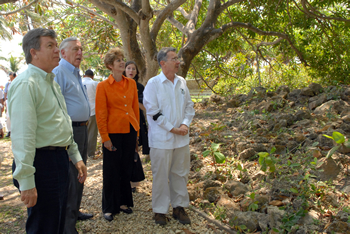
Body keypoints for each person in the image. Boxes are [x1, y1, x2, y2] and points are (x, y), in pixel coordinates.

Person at [8, 28, 87, 234]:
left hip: (58, 160)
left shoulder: (50, 81)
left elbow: (61, 123)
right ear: (34, 52)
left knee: (57, 222)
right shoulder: (26, 83)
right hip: (41, 164)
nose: (56, 51)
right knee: (44, 226)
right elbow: (22, 137)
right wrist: (26, 181)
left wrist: (75, 155)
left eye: (56, 45)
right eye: (50, 46)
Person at [143, 47, 195, 226]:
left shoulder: (182, 82)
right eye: (174, 58)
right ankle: (159, 211)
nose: (178, 61)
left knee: (180, 174)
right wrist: (173, 129)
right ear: (162, 63)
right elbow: (153, 112)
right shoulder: (153, 84)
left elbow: (189, 107)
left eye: (177, 58)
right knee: (160, 175)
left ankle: (179, 207)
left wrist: (185, 124)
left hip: (181, 139)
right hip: (161, 140)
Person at [53, 37, 93, 233]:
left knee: (80, 174)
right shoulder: (59, 72)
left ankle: (75, 212)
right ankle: (68, 227)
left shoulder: (75, 72)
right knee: (71, 178)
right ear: (63, 53)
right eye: (75, 49)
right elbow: (55, 106)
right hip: (71, 131)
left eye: (81, 49)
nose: (80, 52)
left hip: (82, 129)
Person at [95, 48, 140, 221]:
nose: (122, 62)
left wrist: (136, 134)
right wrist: (105, 138)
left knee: (126, 168)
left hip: (129, 131)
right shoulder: (102, 86)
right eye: (118, 60)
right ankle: (109, 207)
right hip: (112, 133)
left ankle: (123, 202)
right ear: (109, 65)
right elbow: (101, 114)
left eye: (122, 59)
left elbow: (135, 108)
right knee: (111, 170)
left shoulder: (132, 84)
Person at [123, 61, 147, 192]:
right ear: (124, 70)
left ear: (137, 72)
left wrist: (135, 101)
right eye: (128, 68)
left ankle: (134, 182)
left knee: (134, 151)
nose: (131, 71)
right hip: (122, 122)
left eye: (133, 69)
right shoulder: (119, 85)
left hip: (137, 121)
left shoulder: (140, 87)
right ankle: (123, 180)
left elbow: (145, 107)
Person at [82, 69, 99, 158]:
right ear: (92, 76)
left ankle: (82, 153)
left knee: (82, 132)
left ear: (85, 75)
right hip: (93, 110)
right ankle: (90, 153)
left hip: (81, 112)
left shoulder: (80, 82)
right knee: (92, 133)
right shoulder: (94, 83)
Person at [4, 72, 16, 137]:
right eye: (10, 77)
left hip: (15, 100)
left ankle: (15, 130)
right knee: (8, 115)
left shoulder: (17, 83)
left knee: (15, 114)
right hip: (8, 100)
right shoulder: (7, 84)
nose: (10, 79)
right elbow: (5, 92)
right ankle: (9, 131)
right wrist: (5, 101)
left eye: (11, 77)